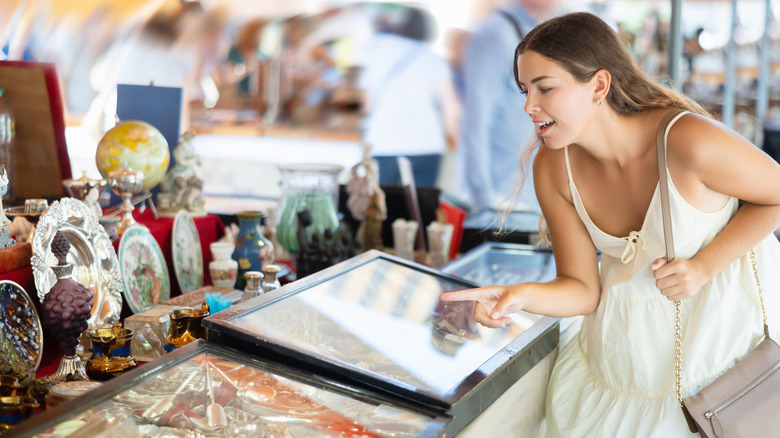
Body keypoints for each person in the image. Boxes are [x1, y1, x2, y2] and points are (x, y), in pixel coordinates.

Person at [441, 12, 780, 436]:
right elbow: (583, 289)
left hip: (720, 358)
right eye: (525, 90)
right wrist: (518, 295)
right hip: (625, 363)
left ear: (598, 85)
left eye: (544, 87)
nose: (529, 105)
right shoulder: (554, 165)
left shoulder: (689, 141)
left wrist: (704, 267)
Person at [455, 0, 559, 212]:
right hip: (502, 198)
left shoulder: (537, 29)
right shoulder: (497, 33)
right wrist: (484, 199)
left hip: (529, 194)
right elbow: (476, 121)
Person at [355, 6, 459, 188]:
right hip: (428, 147)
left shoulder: (376, 53)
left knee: (380, 210)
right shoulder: (434, 59)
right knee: (420, 211)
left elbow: (367, 105)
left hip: (384, 144)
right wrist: (455, 142)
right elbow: (452, 111)